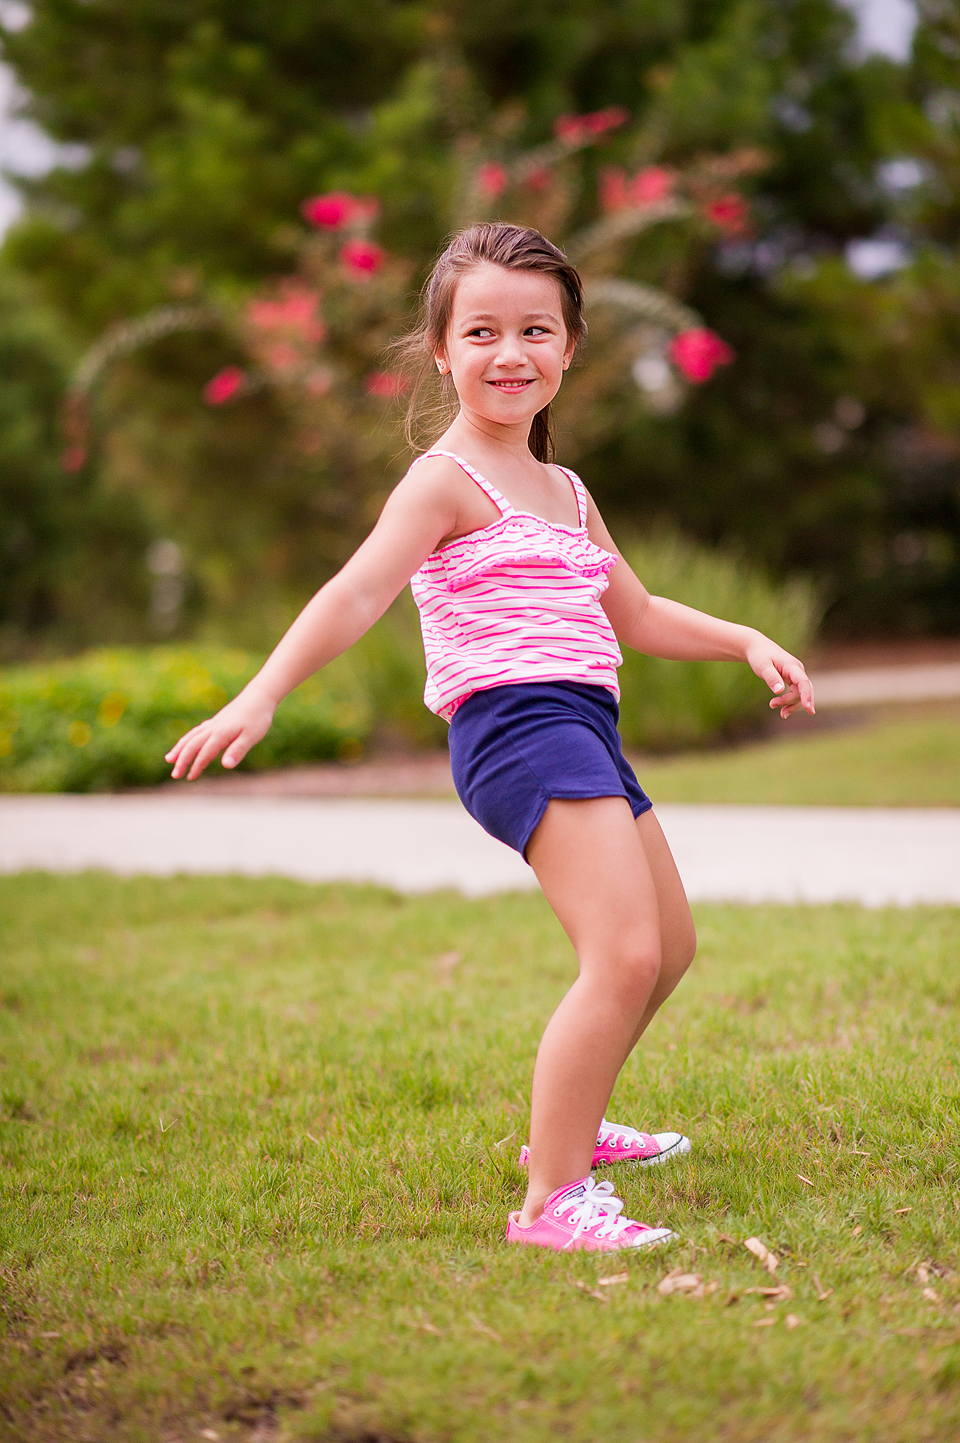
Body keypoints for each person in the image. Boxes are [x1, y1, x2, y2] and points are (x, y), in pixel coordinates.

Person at [166, 222, 815, 1253]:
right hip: (515, 724)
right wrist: (263, 693)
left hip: (583, 724)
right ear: (441, 350)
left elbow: (635, 616)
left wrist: (744, 638)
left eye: (535, 330)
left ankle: (573, 1125)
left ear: (569, 347)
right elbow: (357, 590)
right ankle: (551, 1203)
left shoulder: (565, 492)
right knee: (622, 951)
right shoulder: (442, 479)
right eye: (481, 332)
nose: (510, 353)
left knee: (669, 949)